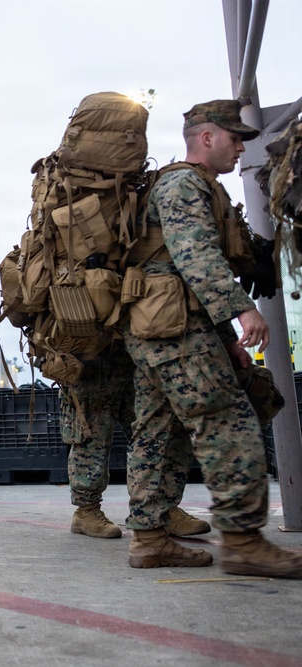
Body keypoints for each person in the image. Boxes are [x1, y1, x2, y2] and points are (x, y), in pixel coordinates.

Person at [122, 99, 302, 577]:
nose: (242, 147)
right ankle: (243, 542)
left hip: (163, 326)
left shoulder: (190, 185)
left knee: (158, 433)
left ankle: (149, 538)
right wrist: (243, 311)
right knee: (229, 423)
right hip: (175, 329)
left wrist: (223, 341)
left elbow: (179, 275)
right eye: (234, 137)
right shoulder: (184, 184)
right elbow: (194, 256)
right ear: (206, 138)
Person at [62, 343, 210, 539]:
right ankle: (86, 511)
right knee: (91, 439)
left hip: (135, 359)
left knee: (157, 436)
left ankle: (162, 509)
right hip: (88, 360)